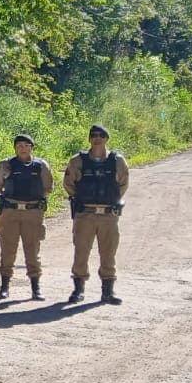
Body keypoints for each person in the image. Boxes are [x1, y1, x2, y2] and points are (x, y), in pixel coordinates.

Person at [62, 124, 130, 305]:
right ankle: (78, 290)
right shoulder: (78, 161)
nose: (97, 138)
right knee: (81, 252)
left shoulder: (117, 161)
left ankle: (108, 291)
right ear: (89, 139)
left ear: (106, 138)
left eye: (101, 135)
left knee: (109, 253)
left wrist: (110, 201)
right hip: (85, 214)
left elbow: (123, 184)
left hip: (108, 215)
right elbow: (69, 184)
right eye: (93, 135)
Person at [0, 134, 54, 300]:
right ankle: (4, 287)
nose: (23, 148)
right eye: (19, 146)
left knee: (32, 250)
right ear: (15, 148)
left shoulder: (41, 166)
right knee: (7, 250)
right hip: (10, 211)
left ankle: (35, 288)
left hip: (33, 212)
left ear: (31, 147)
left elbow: (47, 188)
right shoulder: (6, 165)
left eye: (26, 145)